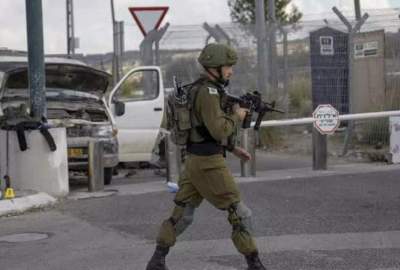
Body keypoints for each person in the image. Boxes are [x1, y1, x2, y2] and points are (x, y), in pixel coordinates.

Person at [145, 43, 267, 270]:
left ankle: (157, 260)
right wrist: (238, 115)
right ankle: (255, 263)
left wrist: (232, 149)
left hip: (194, 162)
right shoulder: (209, 93)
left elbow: (201, 130)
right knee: (239, 213)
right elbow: (219, 129)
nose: (231, 71)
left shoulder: (199, 89)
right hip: (209, 164)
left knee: (182, 214)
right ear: (215, 68)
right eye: (228, 67)